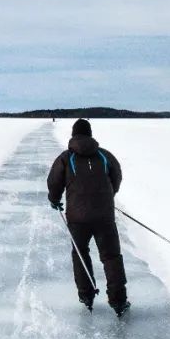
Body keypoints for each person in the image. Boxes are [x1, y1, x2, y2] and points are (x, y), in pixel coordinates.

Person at [47, 118, 130, 316]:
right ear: (90, 134)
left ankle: (86, 295)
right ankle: (118, 300)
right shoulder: (105, 155)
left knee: (80, 253)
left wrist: (54, 199)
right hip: (104, 217)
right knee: (111, 256)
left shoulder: (66, 157)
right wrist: (108, 196)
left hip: (77, 218)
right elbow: (116, 177)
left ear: (74, 135)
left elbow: (53, 181)